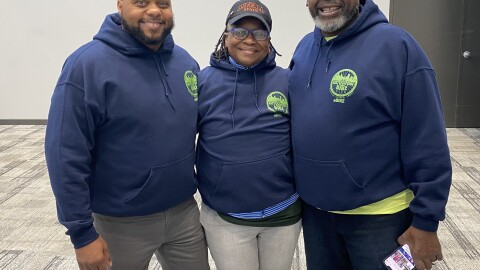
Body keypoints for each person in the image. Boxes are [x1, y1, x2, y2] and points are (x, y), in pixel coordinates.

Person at [44, 1, 209, 270]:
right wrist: (82, 234)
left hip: (184, 213)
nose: (155, 11)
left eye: (163, 4)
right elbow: (65, 154)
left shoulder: (185, 63)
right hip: (120, 223)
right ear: (121, 5)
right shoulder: (86, 66)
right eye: (142, 2)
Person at [288, 0, 452, 270]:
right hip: (317, 217)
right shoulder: (305, 47)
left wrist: (426, 221)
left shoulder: (397, 46)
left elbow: (427, 139)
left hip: (381, 218)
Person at [196, 1, 301, 269]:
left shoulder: (287, 80)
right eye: (240, 30)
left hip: (284, 213)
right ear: (226, 34)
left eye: (260, 32)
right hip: (226, 217)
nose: (250, 40)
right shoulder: (203, 82)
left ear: (269, 40)